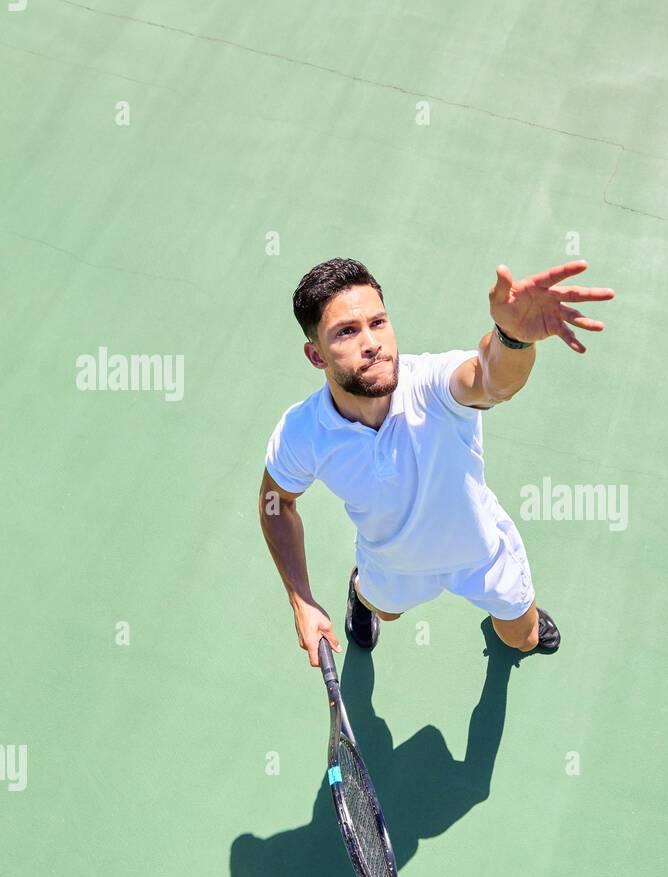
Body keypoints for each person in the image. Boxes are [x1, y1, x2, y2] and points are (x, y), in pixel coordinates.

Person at [259, 256, 614, 665]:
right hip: (393, 564)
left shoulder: (433, 383)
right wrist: (301, 600)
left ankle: (515, 621)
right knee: (386, 611)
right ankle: (361, 588)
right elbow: (276, 503)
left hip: (480, 554)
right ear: (316, 355)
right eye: (346, 332)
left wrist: (512, 340)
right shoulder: (301, 433)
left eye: (378, 323)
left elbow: (490, 379)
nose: (372, 343)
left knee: (523, 638)